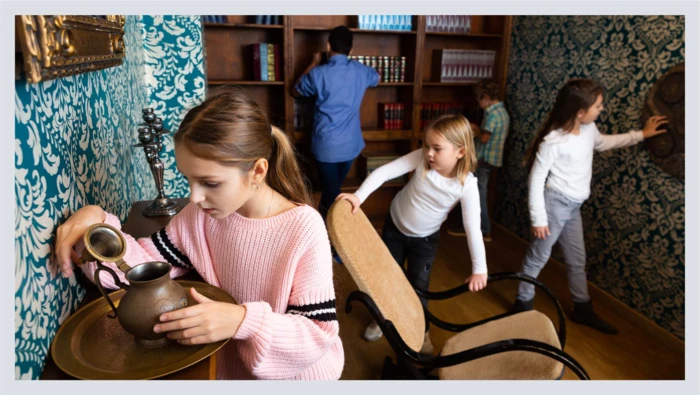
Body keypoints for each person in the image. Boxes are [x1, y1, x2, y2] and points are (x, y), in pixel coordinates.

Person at [54, 87, 344, 380]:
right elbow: (135, 271)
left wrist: (244, 321)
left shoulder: (304, 228)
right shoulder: (199, 218)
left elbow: (316, 336)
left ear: (257, 171)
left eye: (210, 183)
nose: (194, 197)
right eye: (188, 179)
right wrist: (98, 224)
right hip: (221, 366)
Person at [512, 78, 669, 335]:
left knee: (577, 260)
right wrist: (538, 218)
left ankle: (582, 309)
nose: (602, 109)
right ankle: (522, 304)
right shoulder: (554, 141)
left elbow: (604, 143)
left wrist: (641, 134)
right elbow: (536, 180)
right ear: (580, 111)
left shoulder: (589, 130)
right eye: (598, 105)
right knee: (538, 256)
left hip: (573, 208)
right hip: (554, 206)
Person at [336, 114, 488, 355]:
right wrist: (359, 196)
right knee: (385, 277)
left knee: (419, 286)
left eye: (437, 148)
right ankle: (380, 318)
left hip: (425, 240)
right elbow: (384, 172)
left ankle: (421, 332)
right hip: (395, 226)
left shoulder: (466, 186)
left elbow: (473, 228)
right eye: (426, 145)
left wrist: (480, 268)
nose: (428, 152)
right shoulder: (422, 159)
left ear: (460, 151)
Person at [294, 25, 380, 223]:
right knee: (332, 193)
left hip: (326, 146)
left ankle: (328, 239)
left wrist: (314, 62)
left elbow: (296, 90)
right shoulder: (361, 71)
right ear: (351, 50)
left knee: (332, 194)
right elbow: (377, 78)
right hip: (351, 146)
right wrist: (356, 69)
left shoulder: (318, 74)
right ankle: (329, 238)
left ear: (328, 45)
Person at [447, 79, 510, 242]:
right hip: (493, 159)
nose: (478, 103)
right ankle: (480, 228)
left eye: (479, 100)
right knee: (476, 192)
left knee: (475, 195)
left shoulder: (492, 116)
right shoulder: (502, 112)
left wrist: (474, 128)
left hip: (484, 159)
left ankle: (481, 229)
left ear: (486, 97)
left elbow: (484, 139)